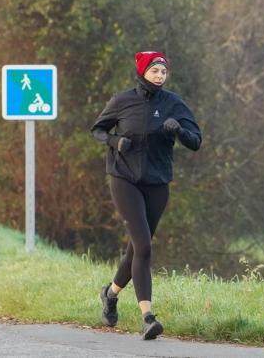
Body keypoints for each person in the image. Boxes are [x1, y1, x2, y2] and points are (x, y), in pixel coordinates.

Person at [90, 51, 202, 340]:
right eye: (154, 71)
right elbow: (98, 130)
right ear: (142, 71)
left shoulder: (174, 104)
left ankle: (110, 293)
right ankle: (148, 317)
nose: (160, 76)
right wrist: (116, 141)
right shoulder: (122, 101)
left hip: (157, 183)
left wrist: (178, 130)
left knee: (137, 249)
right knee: (144, 246)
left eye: (163, 72)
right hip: (124, 180)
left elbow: (196, 142)